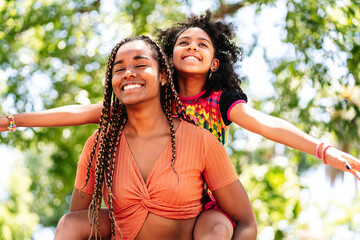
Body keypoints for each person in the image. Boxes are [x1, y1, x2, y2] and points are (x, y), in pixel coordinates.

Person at [1, 10, 359, 238]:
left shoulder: (221, 102)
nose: (192, 46)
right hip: (146, 205)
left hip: (203, 204)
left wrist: (322, 150)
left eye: (202, 44)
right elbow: (79, 113)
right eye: (183, 42)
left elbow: (267, 125)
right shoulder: (155, 102)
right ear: (168, 59)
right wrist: (14, 121)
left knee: (218, 227)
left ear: (215, 63)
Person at [54, 35, 256, 239]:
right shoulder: (100, 144)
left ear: (163, 76)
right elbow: (78, 218)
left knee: (218, 228)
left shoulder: (201, 141)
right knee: (69, 223)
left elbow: (246, 223)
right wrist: (19, 120)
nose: (128, 74)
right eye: (119, 69)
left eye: (141, 65)